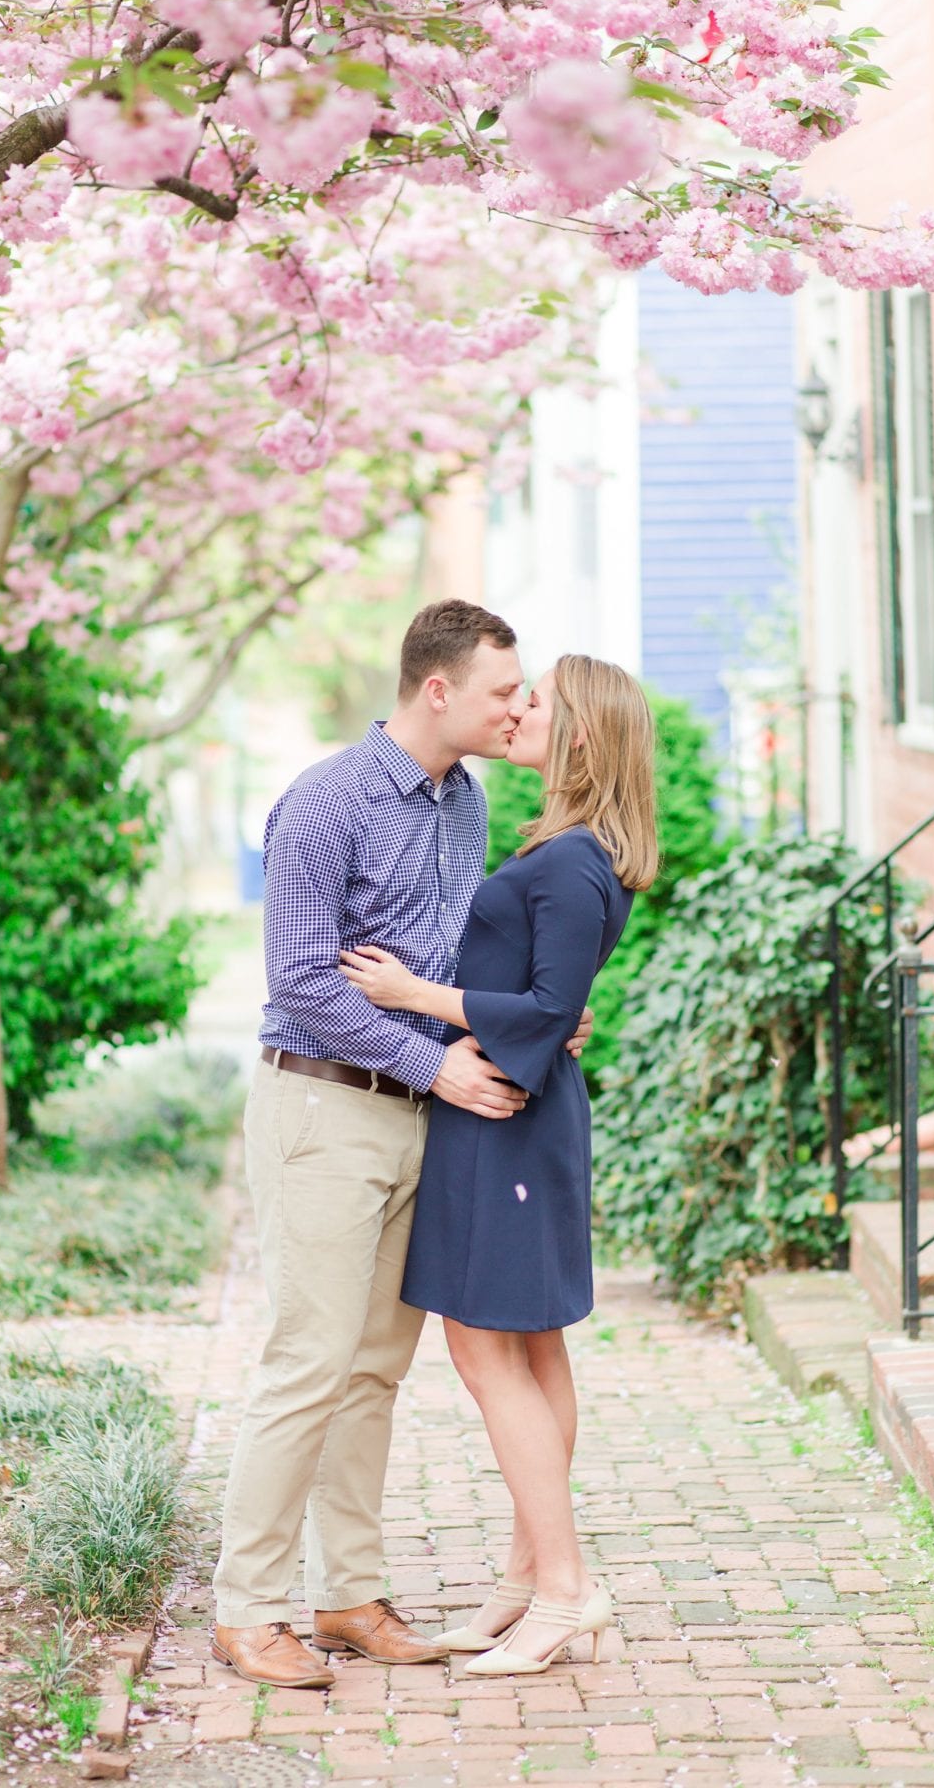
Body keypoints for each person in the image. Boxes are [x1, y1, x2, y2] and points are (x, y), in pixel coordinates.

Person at [210, 600, 592, 1690]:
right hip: (324, 1110)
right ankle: (248, 1609)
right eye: (500, 692)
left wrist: (526, 1017)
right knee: (307, 1363)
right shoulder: (327, 801)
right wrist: (438, 1065)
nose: (517, 708)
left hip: (424, 1112)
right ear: (438, 691)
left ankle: (347, 1595)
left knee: (374, 1367)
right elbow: (300, 981)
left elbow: (445, 958)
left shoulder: (462, 804)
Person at [339, 655, 657, 1677]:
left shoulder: (568, 862)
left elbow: (547, 1014)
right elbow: (555, 1005)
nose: (519, 710)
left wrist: (410, 996)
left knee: (484, 1352)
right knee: (532, 1351)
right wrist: (535, 1016)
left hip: (506, 1118)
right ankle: (530, 1577)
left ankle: (565, 1589)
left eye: (537, 702)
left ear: (578, 736)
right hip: (518, 1114)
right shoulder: (566, 847)